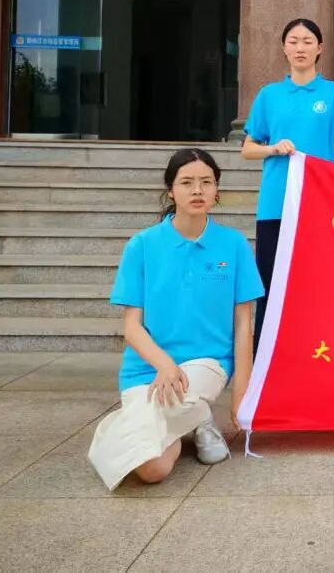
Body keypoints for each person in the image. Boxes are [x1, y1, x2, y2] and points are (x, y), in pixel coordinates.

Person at [88, 149, 265, 490]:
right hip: (147, 369)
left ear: (216, 190)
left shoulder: (233, 244)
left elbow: (244, 325)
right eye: (186, 182)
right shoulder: (142, 245)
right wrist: (165, 365)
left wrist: (242, 395)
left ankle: (189, 415)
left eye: (206, 182)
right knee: (153, 470)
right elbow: (132, 327)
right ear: (171, 190)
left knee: (173, 404)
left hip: (208, 364)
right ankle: (196, 419)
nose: (197, 190)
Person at [241, 18, 334, 353]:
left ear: (319, 48)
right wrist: (273, 148)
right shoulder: (269, 95)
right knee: (270, 283)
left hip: (319, 205)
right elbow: (248, 149)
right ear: (284, 48)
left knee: (318, 284)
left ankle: (315, 353)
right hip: (276, 204)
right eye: (293, 41)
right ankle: (266, 358)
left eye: (307, 41)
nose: (300, 48)